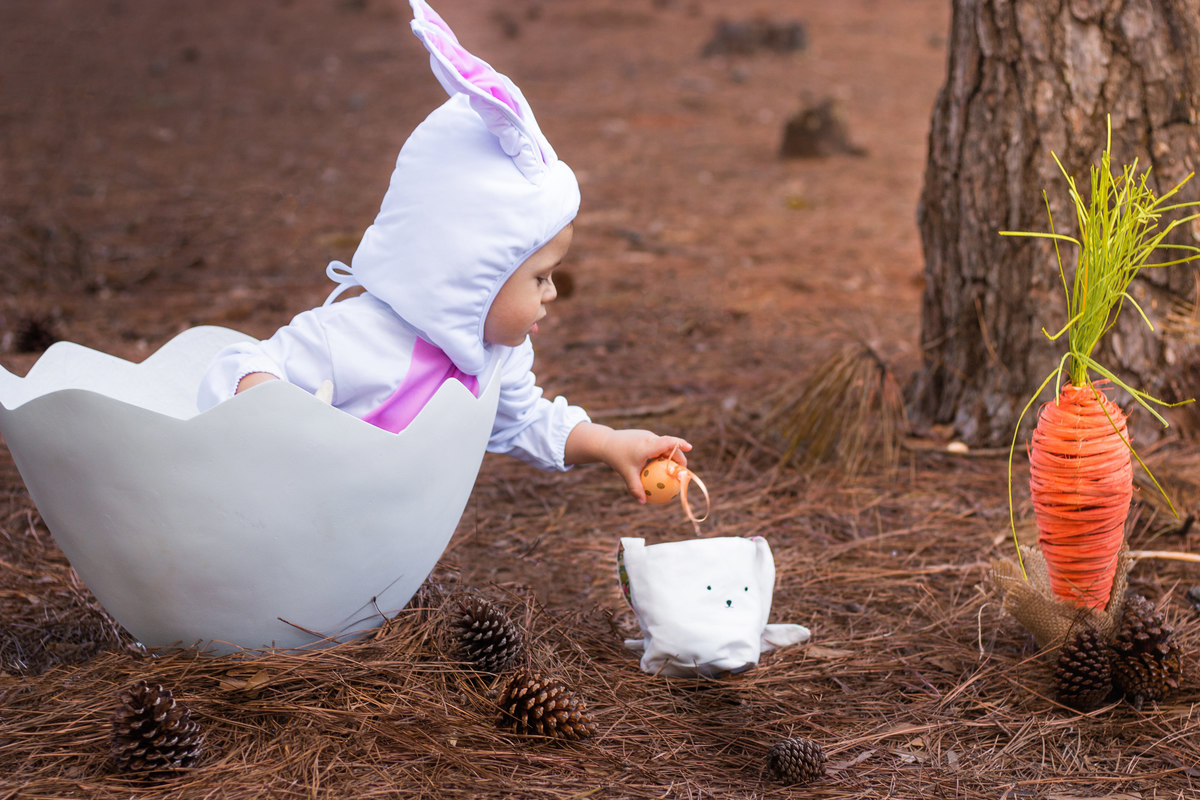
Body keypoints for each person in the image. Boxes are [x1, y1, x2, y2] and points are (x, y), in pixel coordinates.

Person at [197, 0, 689, 502]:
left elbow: (523, 423)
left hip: (380, 534)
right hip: (290, 516)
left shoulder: (494, 355)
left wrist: (609, 444)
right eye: (539, 277)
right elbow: (233, 367)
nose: (552, 293)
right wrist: (277, 409)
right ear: (473, 276)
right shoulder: (354, 337)